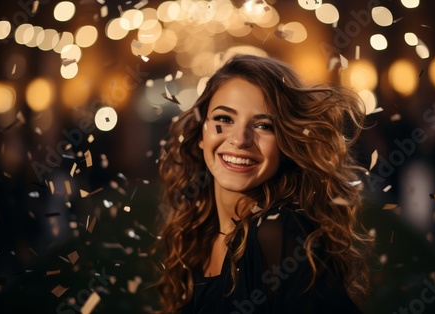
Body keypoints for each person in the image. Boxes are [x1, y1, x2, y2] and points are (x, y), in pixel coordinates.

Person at [152, 53, 374, 313]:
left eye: (264, 125)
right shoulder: (194, 229)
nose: (241, 139)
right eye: (224, 119)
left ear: (287, 143)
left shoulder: (278, 231)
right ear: (201, 132)